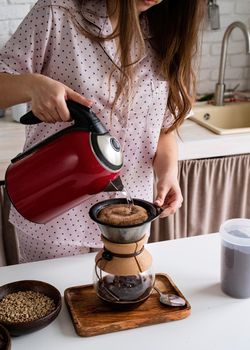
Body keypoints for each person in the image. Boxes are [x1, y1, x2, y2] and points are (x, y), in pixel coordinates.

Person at [0, 0, 205, 263]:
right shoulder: (58, 13)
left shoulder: (166, 32)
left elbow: (162, 128)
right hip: (54, 215)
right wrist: (32, 85)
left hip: (128, 221)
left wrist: (168, 173)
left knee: (118, 301)